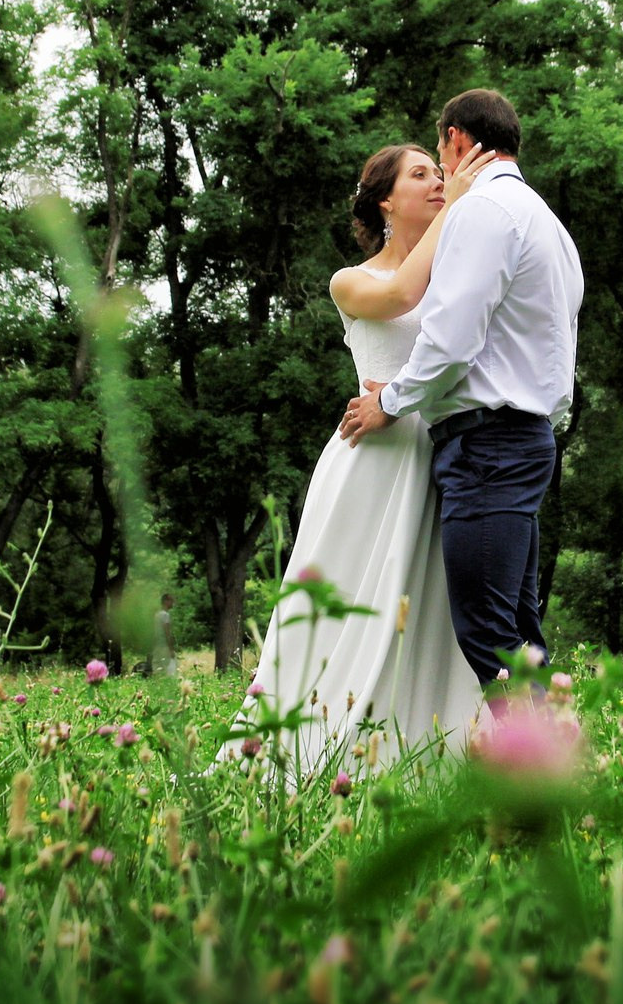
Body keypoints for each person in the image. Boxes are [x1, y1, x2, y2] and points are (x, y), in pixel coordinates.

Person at [220, 142, 490, 777]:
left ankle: (428, 751)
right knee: (345, 600)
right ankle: (312, 740)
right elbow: (399, 295)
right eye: (420, 175)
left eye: (440, 173)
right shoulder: (353, 280)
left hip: (445, 450)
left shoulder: (458, 276)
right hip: (372, 456)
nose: (437, 182)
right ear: (385, 201)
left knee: (436, 605)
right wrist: (460, 204)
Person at [339, 90, 585, 698]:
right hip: (519, 440)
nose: (440, 179)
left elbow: (449, 342)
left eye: (435, 160)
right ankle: (546, 763)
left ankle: (532, 776)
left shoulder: (483, 213)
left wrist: (389, 401)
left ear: (454, 139)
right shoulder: (546, 221)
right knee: (516, 627)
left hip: (485, 445)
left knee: (490, 632)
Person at [152, 592, 179, 679]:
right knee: (170, 668)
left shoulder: (157, 615)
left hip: (157, 645)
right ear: (166, 601)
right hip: (164, 646)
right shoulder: (165, 615)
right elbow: (167, 633)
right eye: (171, 600)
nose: (173, 603)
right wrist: (171, 649)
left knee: (158, 669)